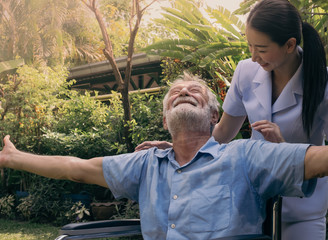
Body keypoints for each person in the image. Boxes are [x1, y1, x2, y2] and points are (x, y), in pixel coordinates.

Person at [0, 72, 328, 239]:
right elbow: (76, 168)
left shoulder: (246, 155)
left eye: (195, 92)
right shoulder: (146, 164)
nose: (184, 92)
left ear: (214, 116)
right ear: (164, 120)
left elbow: (314, 160)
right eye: (175, 92)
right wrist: (15, 158)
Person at [136, 0, 328, 239]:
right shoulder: (246, 71)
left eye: (261, 48)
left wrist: (285, 147)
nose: (253, 56)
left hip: (302, 208)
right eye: (249, 46)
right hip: (252, 204)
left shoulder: (323, 83)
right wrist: (176, 148)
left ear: (290, 45)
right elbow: (223, 133)